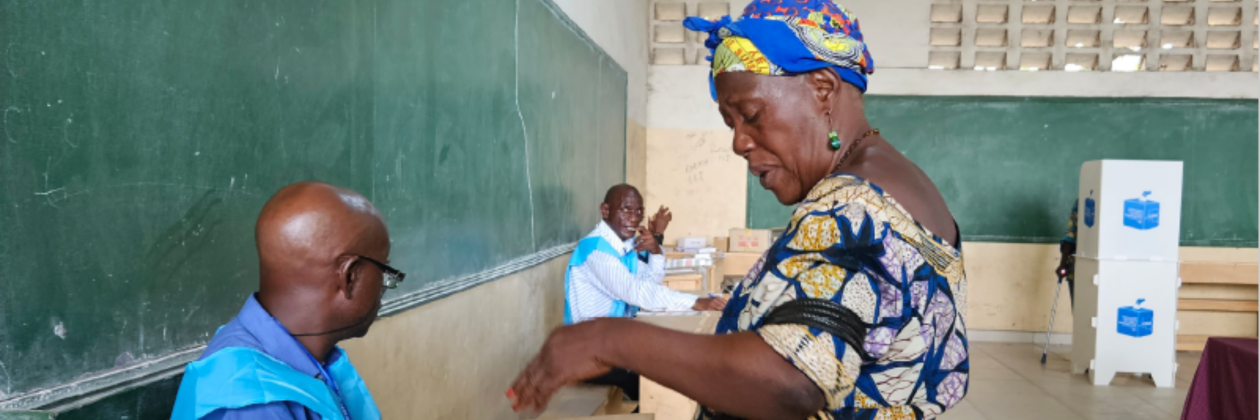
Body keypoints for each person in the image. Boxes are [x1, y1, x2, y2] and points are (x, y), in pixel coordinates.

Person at [509, 2, 969, 419]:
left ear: (823, 88)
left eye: (750, 114)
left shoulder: (850, 211)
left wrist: (608, 339)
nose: (738, 143)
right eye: (731, 124)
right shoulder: (908, 194)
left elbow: (788, 383)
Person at [172, 182, 401, 420]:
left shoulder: (309, 357)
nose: (387, 284)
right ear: (349, 277)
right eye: (384, 270)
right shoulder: (250, 405)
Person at [565, 184, 729, 400]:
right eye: (626, 210)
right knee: (662, 380)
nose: (634, 218)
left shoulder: (622, 246)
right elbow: (636, 292)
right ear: (605, 210)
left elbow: (650, 281)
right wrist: (694, 302)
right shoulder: (596, 250)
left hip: (613, 343)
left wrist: (655, 248)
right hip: (590, 354)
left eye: (639, 211)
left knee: (672, 360)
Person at [1056, 200, 1078, 307]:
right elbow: (1070, 236)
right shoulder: (1081, 201)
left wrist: (1063, 264)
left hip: (1079, 264)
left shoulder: (1082, 200)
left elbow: (1070, 235)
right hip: (1078, 266)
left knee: (1080, 311)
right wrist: (1063, 264)